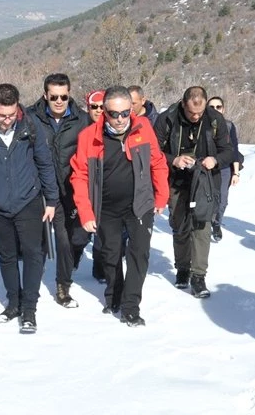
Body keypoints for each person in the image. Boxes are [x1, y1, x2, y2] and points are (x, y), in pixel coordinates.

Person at [70, 86, 169, 326]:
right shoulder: (89, 136)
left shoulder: (143, 128)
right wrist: (85, 212)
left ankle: (130, 306)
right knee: (111, 255)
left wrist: (161, 195)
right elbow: (79, 176)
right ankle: (114, 295)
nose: (120, 119)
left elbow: (157, 161)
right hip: (106, 207)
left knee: (139, 255)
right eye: (114, 114)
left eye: (126, 112)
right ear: (104, 111)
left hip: (140, 204)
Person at [0, 83, 59, 332]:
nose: (7, 120)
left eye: (11, 114)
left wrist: (51, 200)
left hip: (28, 201)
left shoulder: (30, 126)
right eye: (2, 115)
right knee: (7, 255)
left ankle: (29, 307)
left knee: (33, 253)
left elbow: (44, 163)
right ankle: (13, 303)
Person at [153, 87, 236, 298]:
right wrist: (174, 160)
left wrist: (214, 159)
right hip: (177, 180)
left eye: (200, 113)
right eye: (192, 113)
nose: (196, 117)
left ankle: (198, 276)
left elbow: (229, 151)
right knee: (180, 226)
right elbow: (153, 151)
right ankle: (182, 268)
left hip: (205, 181)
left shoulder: (215, 120)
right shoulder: (167, 119)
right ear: (183, 104)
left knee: (202, 227)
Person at [27, 73, 92, 309]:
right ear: (45, 95)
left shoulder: (82, 120)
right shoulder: (30, 117)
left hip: (70, 190)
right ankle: (49, 287)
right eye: (53, 96)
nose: (59, 101)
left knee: (71, 239)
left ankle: (66, 276)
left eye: (64, 96)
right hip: (40, 190)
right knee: (47, 242)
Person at [206, 96, 244, 243]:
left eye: (218, 107)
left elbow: (234, 149)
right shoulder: (202, 125)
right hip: (206, 167)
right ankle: (205, 224)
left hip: (224, 168)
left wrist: (236, 172)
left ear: (223, 109)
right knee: (207, 198)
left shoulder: (228, 126)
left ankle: (216, 224)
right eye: (212, 107)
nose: (215, 110)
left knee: (222, 200)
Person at [84, 89, 108, 284]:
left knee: (106, 232)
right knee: (79, 238)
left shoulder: (113, 128)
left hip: (108, 187)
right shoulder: (81, 130)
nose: (99, 110)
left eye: (102, 107)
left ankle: (101, 267)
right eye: (95, 107)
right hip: (86, 187)